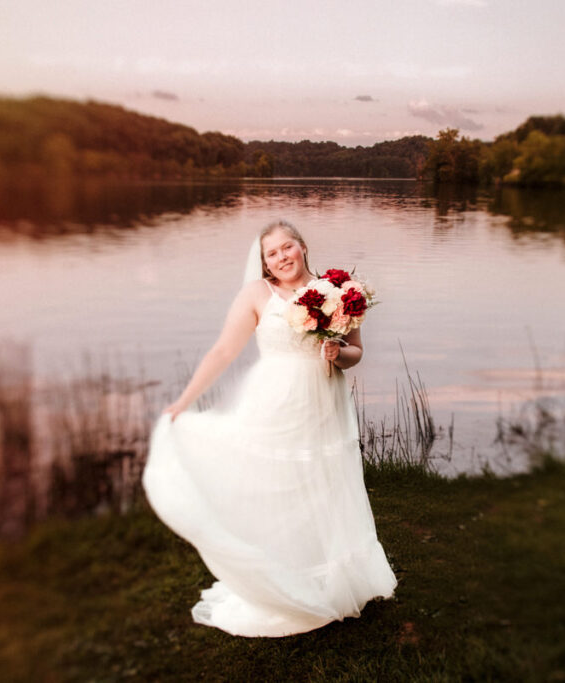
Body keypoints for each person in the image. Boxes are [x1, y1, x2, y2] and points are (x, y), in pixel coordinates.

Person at [141, 219, 397, 638]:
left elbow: (357, 353)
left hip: (325, 401)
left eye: (286, 248)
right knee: (281, 484)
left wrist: (338, 352)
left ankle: (329, 581)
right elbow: (224, 350)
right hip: (277, 401)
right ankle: (282, 581)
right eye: (271, 254)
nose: (281, 258)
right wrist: (184, 401)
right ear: (263, 262)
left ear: (302, 246)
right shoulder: (257, 295)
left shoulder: (340, 291)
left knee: (325, 481)